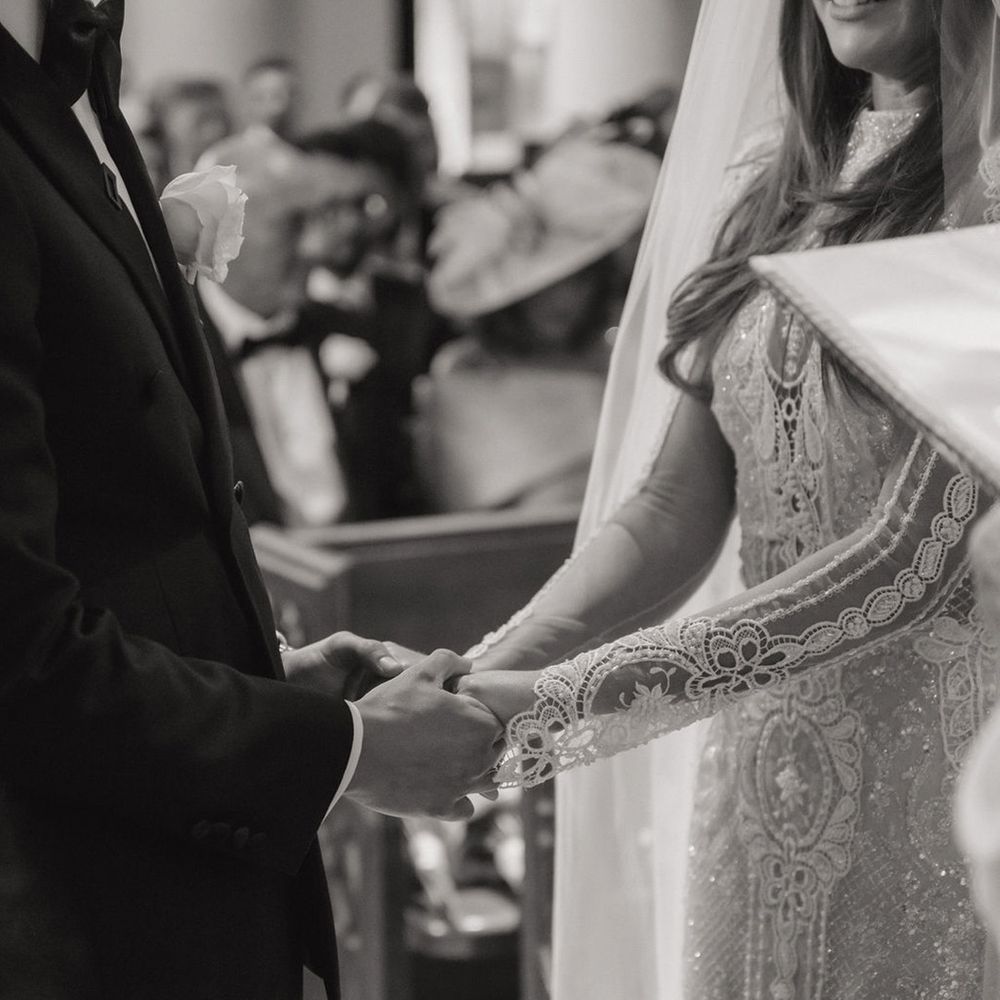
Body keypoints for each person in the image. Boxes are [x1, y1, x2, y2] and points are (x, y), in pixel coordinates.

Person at [451, 0, 999, 997]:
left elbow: (913, 558)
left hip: (937, 779)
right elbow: (671, 504)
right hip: (757, 769)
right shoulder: (774, 181)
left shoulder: (992, 194)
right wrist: (488, 669)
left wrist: (563, 700)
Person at [0, 4, 501, 1000]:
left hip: (181, 888)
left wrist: (262, 673)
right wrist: (349, 751)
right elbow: (19, 654)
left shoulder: (73, 73)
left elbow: (114, 519)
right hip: (72, 918)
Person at [415, 137, 660, 512]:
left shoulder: (620, 355)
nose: (563, 301)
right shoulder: (465, 373)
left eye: (578, 280)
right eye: (543, 289)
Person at [293, 120, 453, 520]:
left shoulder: (419, 302)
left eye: (361, 204)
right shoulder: (280, 321)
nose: (350, 224)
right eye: (330, 208)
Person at [240, 56, 299, 142]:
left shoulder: (310, 151)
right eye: (258, 98)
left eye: (277, 97)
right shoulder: (225, 153)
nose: (267, 107)